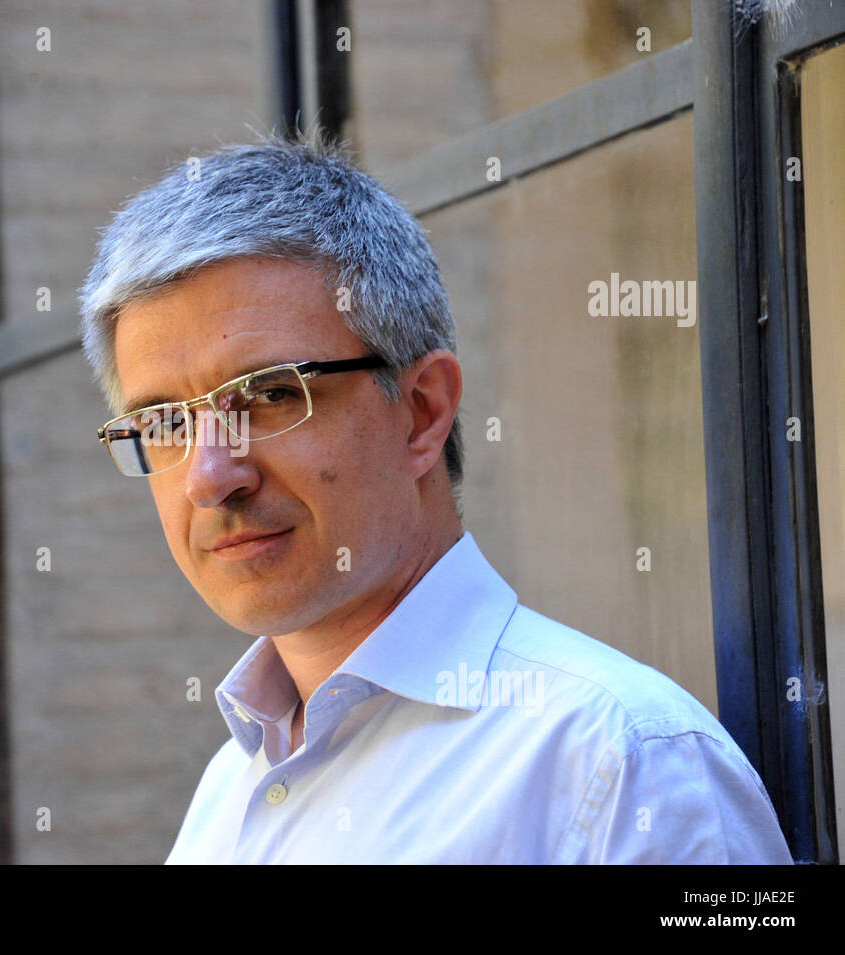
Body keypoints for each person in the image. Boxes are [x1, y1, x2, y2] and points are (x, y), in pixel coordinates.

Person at [76, 128, 793, 864]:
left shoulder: (622, 763)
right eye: (163, 422)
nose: (208, 476)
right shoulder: (225, 796)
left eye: (267, 394)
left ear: (421, 411)